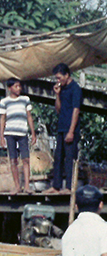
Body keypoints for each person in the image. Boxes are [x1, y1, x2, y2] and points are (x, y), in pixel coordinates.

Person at [0, 77, 37, 192]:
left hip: (22, 133)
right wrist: (1, 136)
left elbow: (29, 116)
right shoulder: (4, 102)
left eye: (19, 86)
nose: (18, 88)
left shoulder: (25, 99)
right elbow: (2, 119)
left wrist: (33, 133)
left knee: (26, 159)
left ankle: (27, 186)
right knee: (13, 160)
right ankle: (17, 186)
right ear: (10, 88)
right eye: (16, 86)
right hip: (10, 133)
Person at [48, 63, 82, 193]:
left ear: (67, 75)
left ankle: (69, 187)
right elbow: (58, 109)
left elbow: (76, 110)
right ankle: (56, 186)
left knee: (70, 159)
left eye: (59, 77)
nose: (58, 81)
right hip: (61, 128)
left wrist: (71, 131)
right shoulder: (61, 89)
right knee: (58, 157)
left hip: (70, 129)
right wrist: (57, 94)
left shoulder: (76, 89)